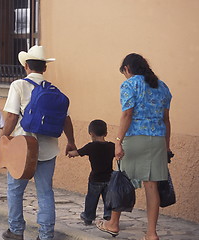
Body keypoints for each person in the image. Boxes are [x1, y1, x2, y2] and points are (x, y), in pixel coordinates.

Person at [1, 45, 77, 240]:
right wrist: (71, 142)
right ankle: (45, 235)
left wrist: (3, 139)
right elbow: (65, 119)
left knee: (15, 190)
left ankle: (16, 230)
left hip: (23, 147)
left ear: (26, 65)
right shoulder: (54, 90)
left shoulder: (18, 85)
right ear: (45, 68)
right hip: (48, 148)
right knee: (45, 192)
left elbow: (11, 116)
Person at [96, 53, 172, 240]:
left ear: (127, 68)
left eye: (124, 72)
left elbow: (127, 115)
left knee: (121, 179)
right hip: (157, 141)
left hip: (135, 138)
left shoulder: (130, 84)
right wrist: (167, 146)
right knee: (151, 186)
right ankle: (152, 234)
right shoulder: (162, 87)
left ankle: (113, 223)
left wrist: (117, 140)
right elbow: (166, 120)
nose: (125, 76)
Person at [67, 119, 114, 225]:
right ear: (106, 133)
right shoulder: (111, 146)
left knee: (92, 199)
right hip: (109, 178)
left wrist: (70, 153)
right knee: (109, 198)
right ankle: (108, 215)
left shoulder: (91, 146)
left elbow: (77, 153)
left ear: (91, 133)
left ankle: (88, 216)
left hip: (95, 179)